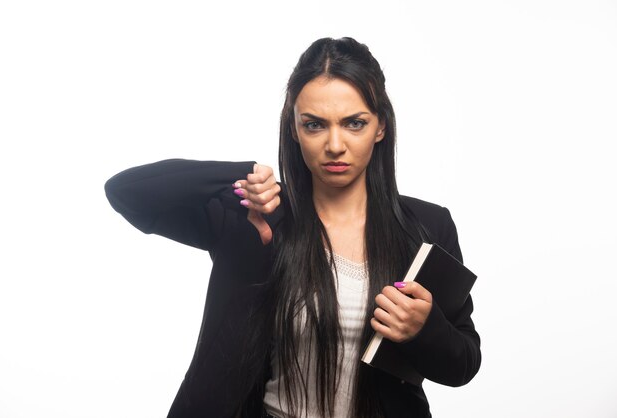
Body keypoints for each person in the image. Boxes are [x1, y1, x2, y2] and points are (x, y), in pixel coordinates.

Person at [105, 37, 481, 418]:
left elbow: (464, 364)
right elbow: (126, 192)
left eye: (354, 123)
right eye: (315, 125)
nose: (335, 145)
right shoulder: (258, 217)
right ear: (294, 129)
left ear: (380, 127)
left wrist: (424, 328)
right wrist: (239, 175)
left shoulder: (426, 227)